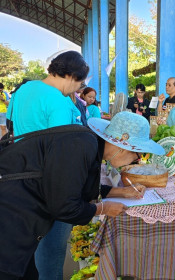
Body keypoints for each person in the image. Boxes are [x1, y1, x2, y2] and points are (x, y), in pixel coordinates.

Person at [0, 111, 164, 279]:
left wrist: (122, 192)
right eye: (137, 155)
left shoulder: (88, 142)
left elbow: (78, 187)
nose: (136, 159)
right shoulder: (81, 145)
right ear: (123, 145)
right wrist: (102, 209)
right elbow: (65, 206)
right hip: (11, 217)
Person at [5, 50, 89, 280]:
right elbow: (64, 153)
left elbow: (9, 127)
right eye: (80, 82)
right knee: (51, 254)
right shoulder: (59, 102)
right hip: (50, 184)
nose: (79, 88)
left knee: (29, 249)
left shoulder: (24, 90)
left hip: (20, 182)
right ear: (71, 75)